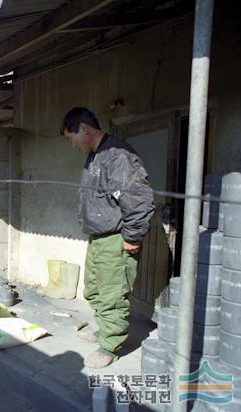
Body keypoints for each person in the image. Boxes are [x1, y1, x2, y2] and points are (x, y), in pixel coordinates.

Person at [61, 107, 155, 368]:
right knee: (94, 290)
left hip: (116, 238)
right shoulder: (95, 157)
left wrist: (132, 236)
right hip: (98, 237)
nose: (73, 145)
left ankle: (110, 346)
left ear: (84, 129)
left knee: (112, 294)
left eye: (71, 138)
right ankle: (104, 331)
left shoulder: (118, 155)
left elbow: (139, 198)